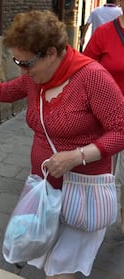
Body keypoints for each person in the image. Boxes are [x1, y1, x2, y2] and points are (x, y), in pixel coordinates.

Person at [0, 10, 124, 278]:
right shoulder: (36, 78)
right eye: (17, 61)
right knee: (47, 256)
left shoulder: (92, 77)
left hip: (82, 193)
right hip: (45, 189)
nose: (22, 69)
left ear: (51, 53)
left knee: (59, 267)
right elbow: (5, 91)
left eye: (26, 62)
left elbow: (121, 129)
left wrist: (77, 156)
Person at [84, 0, 124, 234]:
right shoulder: (104, 33)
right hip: (107, 116)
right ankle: (98, 214)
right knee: (105, 171)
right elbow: (86, 69)